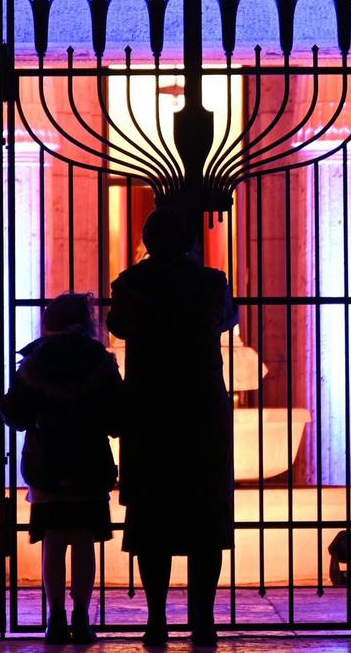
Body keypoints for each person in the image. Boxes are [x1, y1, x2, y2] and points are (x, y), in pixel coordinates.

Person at [107, 205, 238, 647]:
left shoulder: (130, 283)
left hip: (151, 409)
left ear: (147, 240)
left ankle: (156, 619)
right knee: (205, 519)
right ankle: (204, 620)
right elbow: (226, 319)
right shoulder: (211, 282)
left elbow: (118, 325)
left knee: (152, 523)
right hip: (201, 407)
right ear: (188, 241)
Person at [1, 292, 123, 644]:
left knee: (53, 541)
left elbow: (15, 414)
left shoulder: (34, 361)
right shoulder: (98, 361)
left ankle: (55, 617)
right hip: (89, 460)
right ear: (86, 321)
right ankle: (81, 617)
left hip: (46, 461)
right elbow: (117, 415)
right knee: (84, 540)